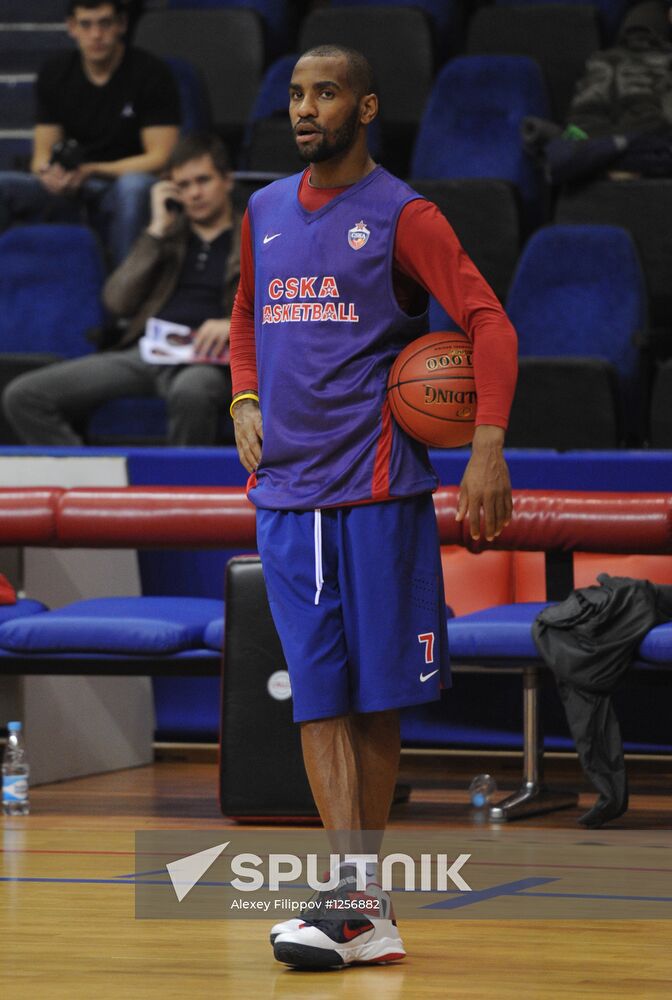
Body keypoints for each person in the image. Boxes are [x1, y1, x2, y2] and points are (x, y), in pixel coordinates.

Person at [228, 45, 518, 969]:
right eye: (297, 95)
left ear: (365, 108)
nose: (305, 108)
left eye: (326, 94)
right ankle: (352, 904)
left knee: (377, 699)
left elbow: (489, 323)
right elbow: (244, 315)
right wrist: (241, 397)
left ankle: (366, 900)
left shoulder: (403, 214)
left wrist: (486, 447)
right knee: (318, 698)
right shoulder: (264, 210)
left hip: (379, 487)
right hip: (286, 498)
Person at [2, 133, 240, 447]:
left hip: (211, 361)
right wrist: (155, 231)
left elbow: (276, 310)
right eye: (183, 185)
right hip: (149, 352)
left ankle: (180, 492)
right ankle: (91, 488)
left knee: (192, 392)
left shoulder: (254, 238)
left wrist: (234, 324)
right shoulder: (167, 236)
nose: (194, 194)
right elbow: (116, 301)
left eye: (203, 181)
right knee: (25, 395)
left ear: (227, 181)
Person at [0, 0, 180, 266]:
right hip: (72, 183)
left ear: (122, 24)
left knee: (133, 187)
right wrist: (50, 174)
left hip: (121, 182)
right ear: (71, 27)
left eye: (105, 23)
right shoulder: (55, 72)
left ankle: (122, 295)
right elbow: (41, 155)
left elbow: (160, 157)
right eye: (86, 24)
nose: (96, 35)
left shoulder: (151, 73)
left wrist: (93, 169)